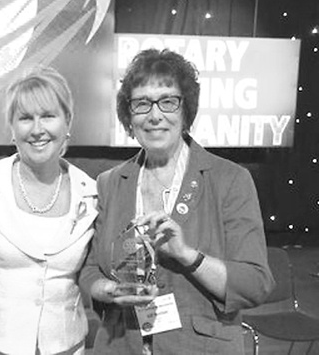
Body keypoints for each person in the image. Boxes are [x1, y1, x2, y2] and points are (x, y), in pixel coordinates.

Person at [79, 49, 275, 355]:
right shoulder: (110, 182)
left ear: (186, 111)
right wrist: (110, 291)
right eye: (142, 103)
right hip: (122, 345)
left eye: (168, 101)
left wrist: (188, 256)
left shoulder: (229, 179)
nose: (155, 115)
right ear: (129, 117)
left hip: (199, 347)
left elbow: (255, 284)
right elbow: (91, 270)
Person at [0, 66, 97, 354]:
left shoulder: (92, 193)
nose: (37, 129)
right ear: (12, 128)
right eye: (26, 118)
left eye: (48, 116)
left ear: (68, 122)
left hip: (67, 347)